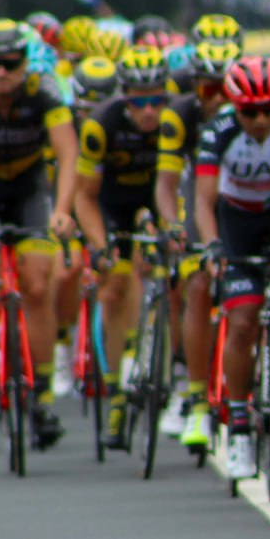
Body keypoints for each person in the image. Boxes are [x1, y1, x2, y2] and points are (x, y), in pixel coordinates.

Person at [0, 19, 79, 446]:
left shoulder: (44, 90)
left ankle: (42, 391)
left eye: (11, 63)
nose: (1, 73)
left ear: (25, 63)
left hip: (29, 189)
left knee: (36, 284)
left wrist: (63, 210)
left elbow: (68, 154)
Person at [193, 56, 270, 480]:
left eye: (269, 109)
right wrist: (213, 244)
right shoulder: (219, 131)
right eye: (250, 112)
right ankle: (239, 425)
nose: (262, 120)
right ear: (234, 107)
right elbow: (203, 200)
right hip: (237, 222)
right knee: (243, 319)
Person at [72, 46, 170, 448]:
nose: (149, 110)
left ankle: (171, 373)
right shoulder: (101, 125)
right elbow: (83, 197)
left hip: (160, 198)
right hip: (111, 205)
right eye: (138, 102)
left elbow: (182, 185)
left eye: (157, 100)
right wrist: (99, 247)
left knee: (176, 278)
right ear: (124, 96)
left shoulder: (175, 120)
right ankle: (115, 391)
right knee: (114, 286)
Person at [155, 36, 242, 450]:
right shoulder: (179, 115)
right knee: (198, 284)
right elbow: (167, 183)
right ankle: (195, 399)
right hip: (198, 196)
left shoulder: (254, 113)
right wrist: (173, 224)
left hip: (241, 198)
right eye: (209, 89)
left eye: (226, 89)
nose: (218, 99)